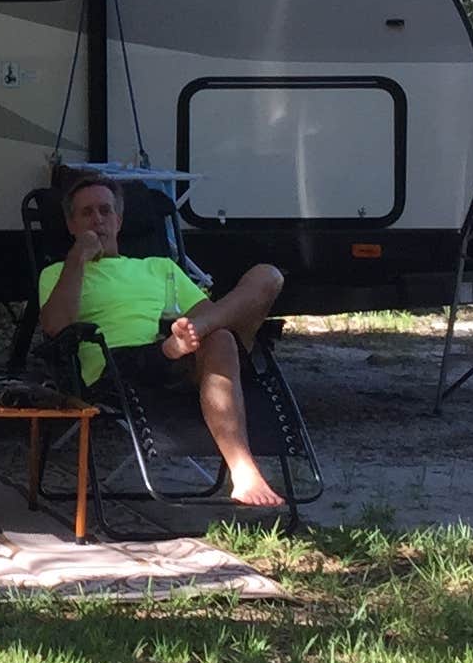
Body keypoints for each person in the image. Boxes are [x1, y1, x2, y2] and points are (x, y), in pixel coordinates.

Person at [37, 173, 287, 510]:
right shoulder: (58, 273)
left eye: (105, 210)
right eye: (86, 213)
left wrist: (195, 330)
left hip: (185, 352)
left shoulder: (159, 266)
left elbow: (210, 315)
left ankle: (242, 471)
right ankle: (242, 466)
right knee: (217, 338)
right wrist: (78, 258)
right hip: (118, 367)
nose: (97, 219)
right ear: (71, 225)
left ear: (119, 220)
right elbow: (55, 327)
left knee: (264, 280)